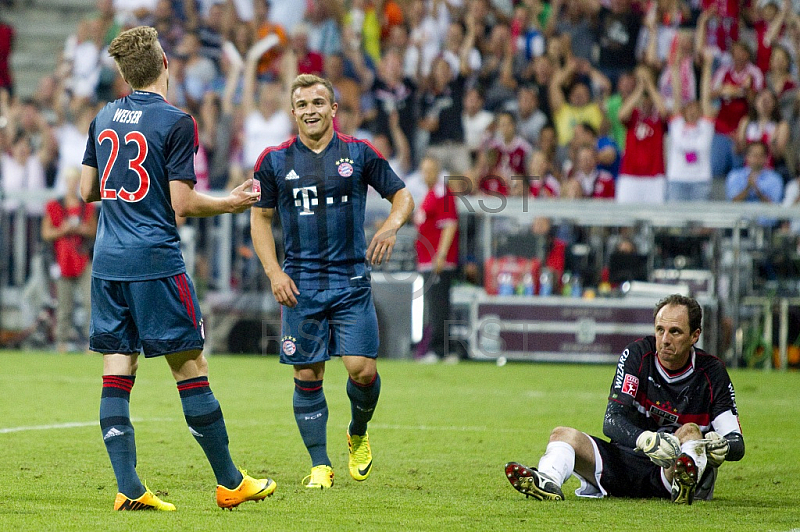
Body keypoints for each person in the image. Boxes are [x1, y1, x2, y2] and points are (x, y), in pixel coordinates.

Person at [79, 26, 274, 511]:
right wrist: (231, 203)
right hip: (154, 260)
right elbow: (182, 203)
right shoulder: (175, 121)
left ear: (124, 72)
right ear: (165, 62)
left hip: (108, 262)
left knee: (116, 369)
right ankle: (231, 482)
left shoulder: (103, 115)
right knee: (191, 368)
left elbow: (86, 191)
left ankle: (128, 487)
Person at [250, 74, 414, 489]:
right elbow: (260, 219)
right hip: (300, 285)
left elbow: (403, 195)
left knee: (361, 370)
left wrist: (391, 226)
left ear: (333, 109)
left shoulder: (358, 154)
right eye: (302, 104)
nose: (310, 111)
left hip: (350, 280)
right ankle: (320, 465)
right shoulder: (273, 160)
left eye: (318, 103)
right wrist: (274, 271)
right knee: (308, 375)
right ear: (292, 113)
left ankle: (357, 431)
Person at [505, 294, 745, 504]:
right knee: (562, 434)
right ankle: (548, 480)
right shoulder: (637, 355)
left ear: (695, 335)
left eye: (675, 332)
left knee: (691, 432)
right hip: (624, 462)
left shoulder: (712, 372)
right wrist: (646, 440)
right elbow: (612, 420)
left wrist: (721, 446)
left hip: (669, 469)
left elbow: (736, 441)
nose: (665, 340)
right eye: (659, 330)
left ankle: (683, 486)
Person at [41, 168, 97, 353]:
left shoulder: (86, 206)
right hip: (63, 259)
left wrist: (78, 229)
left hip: (81, 256)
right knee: (64, 304)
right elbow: (46, 233)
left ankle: (92, 341)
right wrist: (63, 230)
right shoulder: (55, 206)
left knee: (90, 302)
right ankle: (61, 341)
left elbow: (93, 230)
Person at [414, 156, 459, 364]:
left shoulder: (442, 192)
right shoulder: (430, 193)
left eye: (430, 170)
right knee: (435, 306)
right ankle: (441, 348)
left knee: (439, 306)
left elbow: (450, 224)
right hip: (427, 260)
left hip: (438, 261)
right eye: (424, 170)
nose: (427, 174)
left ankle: (440, 349)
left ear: (438, 170)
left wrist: (440, 255)